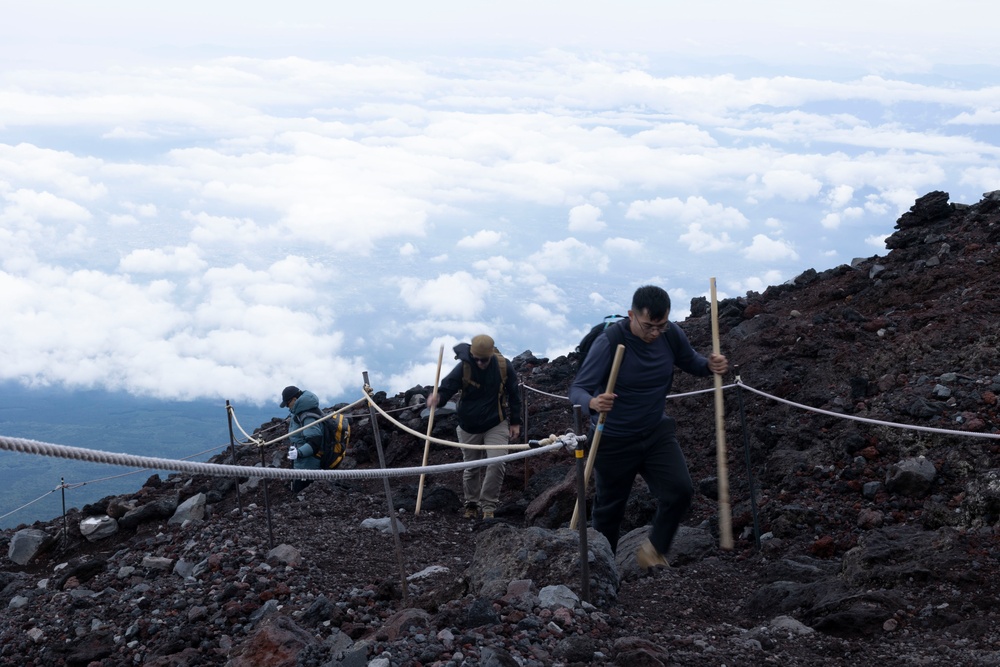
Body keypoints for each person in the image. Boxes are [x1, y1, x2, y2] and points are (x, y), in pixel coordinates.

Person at [568, 285, 729, 570]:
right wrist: (593, 402)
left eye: (661, 326)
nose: (655, 333)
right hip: (613, 438)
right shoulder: (609, 342)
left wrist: (709, 365)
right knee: (609, 511)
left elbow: (689, 360)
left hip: (655, 432)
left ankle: (654, 550)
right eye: (649, 326)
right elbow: (577, 389)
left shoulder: (671, 335)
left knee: (679, 491)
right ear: (631, 315)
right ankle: (604, 574)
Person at [427, 334, 522, 520]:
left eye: (484, 360)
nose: (479, 363)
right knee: (472, 467)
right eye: (476, 359)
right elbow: (447, 387)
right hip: (468, 424)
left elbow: (513, 394)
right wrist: (437, 399)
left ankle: (488, 506)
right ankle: (471, 503)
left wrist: (516, 422)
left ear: (491, 356)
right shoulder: (464, 366)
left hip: (496, 422)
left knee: (496, 463)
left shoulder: (503, 366)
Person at [280, 385, 324, 493]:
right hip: (303, 464)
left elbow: (315, 442)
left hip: (308, 467)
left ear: (294, 399)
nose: (287, 407)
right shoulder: (302, 412)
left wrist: (298, 453)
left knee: (302, 494)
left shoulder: (307, 416)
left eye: (287, 404)